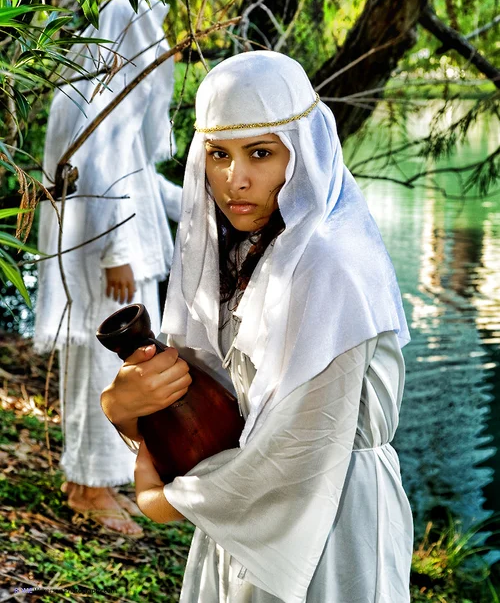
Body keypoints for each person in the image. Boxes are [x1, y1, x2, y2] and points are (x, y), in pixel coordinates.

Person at [101, 51, 414, 600]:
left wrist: (162, 501)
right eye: (218, 154)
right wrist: (126, 409)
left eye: (261, 153)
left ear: (303, 152)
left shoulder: (330, 263)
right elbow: (222, 416)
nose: (234, 180)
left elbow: (299, 448)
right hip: (243, 510)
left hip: (333, 520)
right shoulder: (248, 252)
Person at [34, 0, 182, 537]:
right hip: (105, 264)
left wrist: (200, 201)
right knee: (100, 370)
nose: (164, 53)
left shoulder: (109, 92)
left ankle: (97, 479)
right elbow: (98, 175)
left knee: (116, 370)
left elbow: (137, 178)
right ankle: (89, 488)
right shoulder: (98, 93)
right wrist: (117, 253)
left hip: (115, 259)